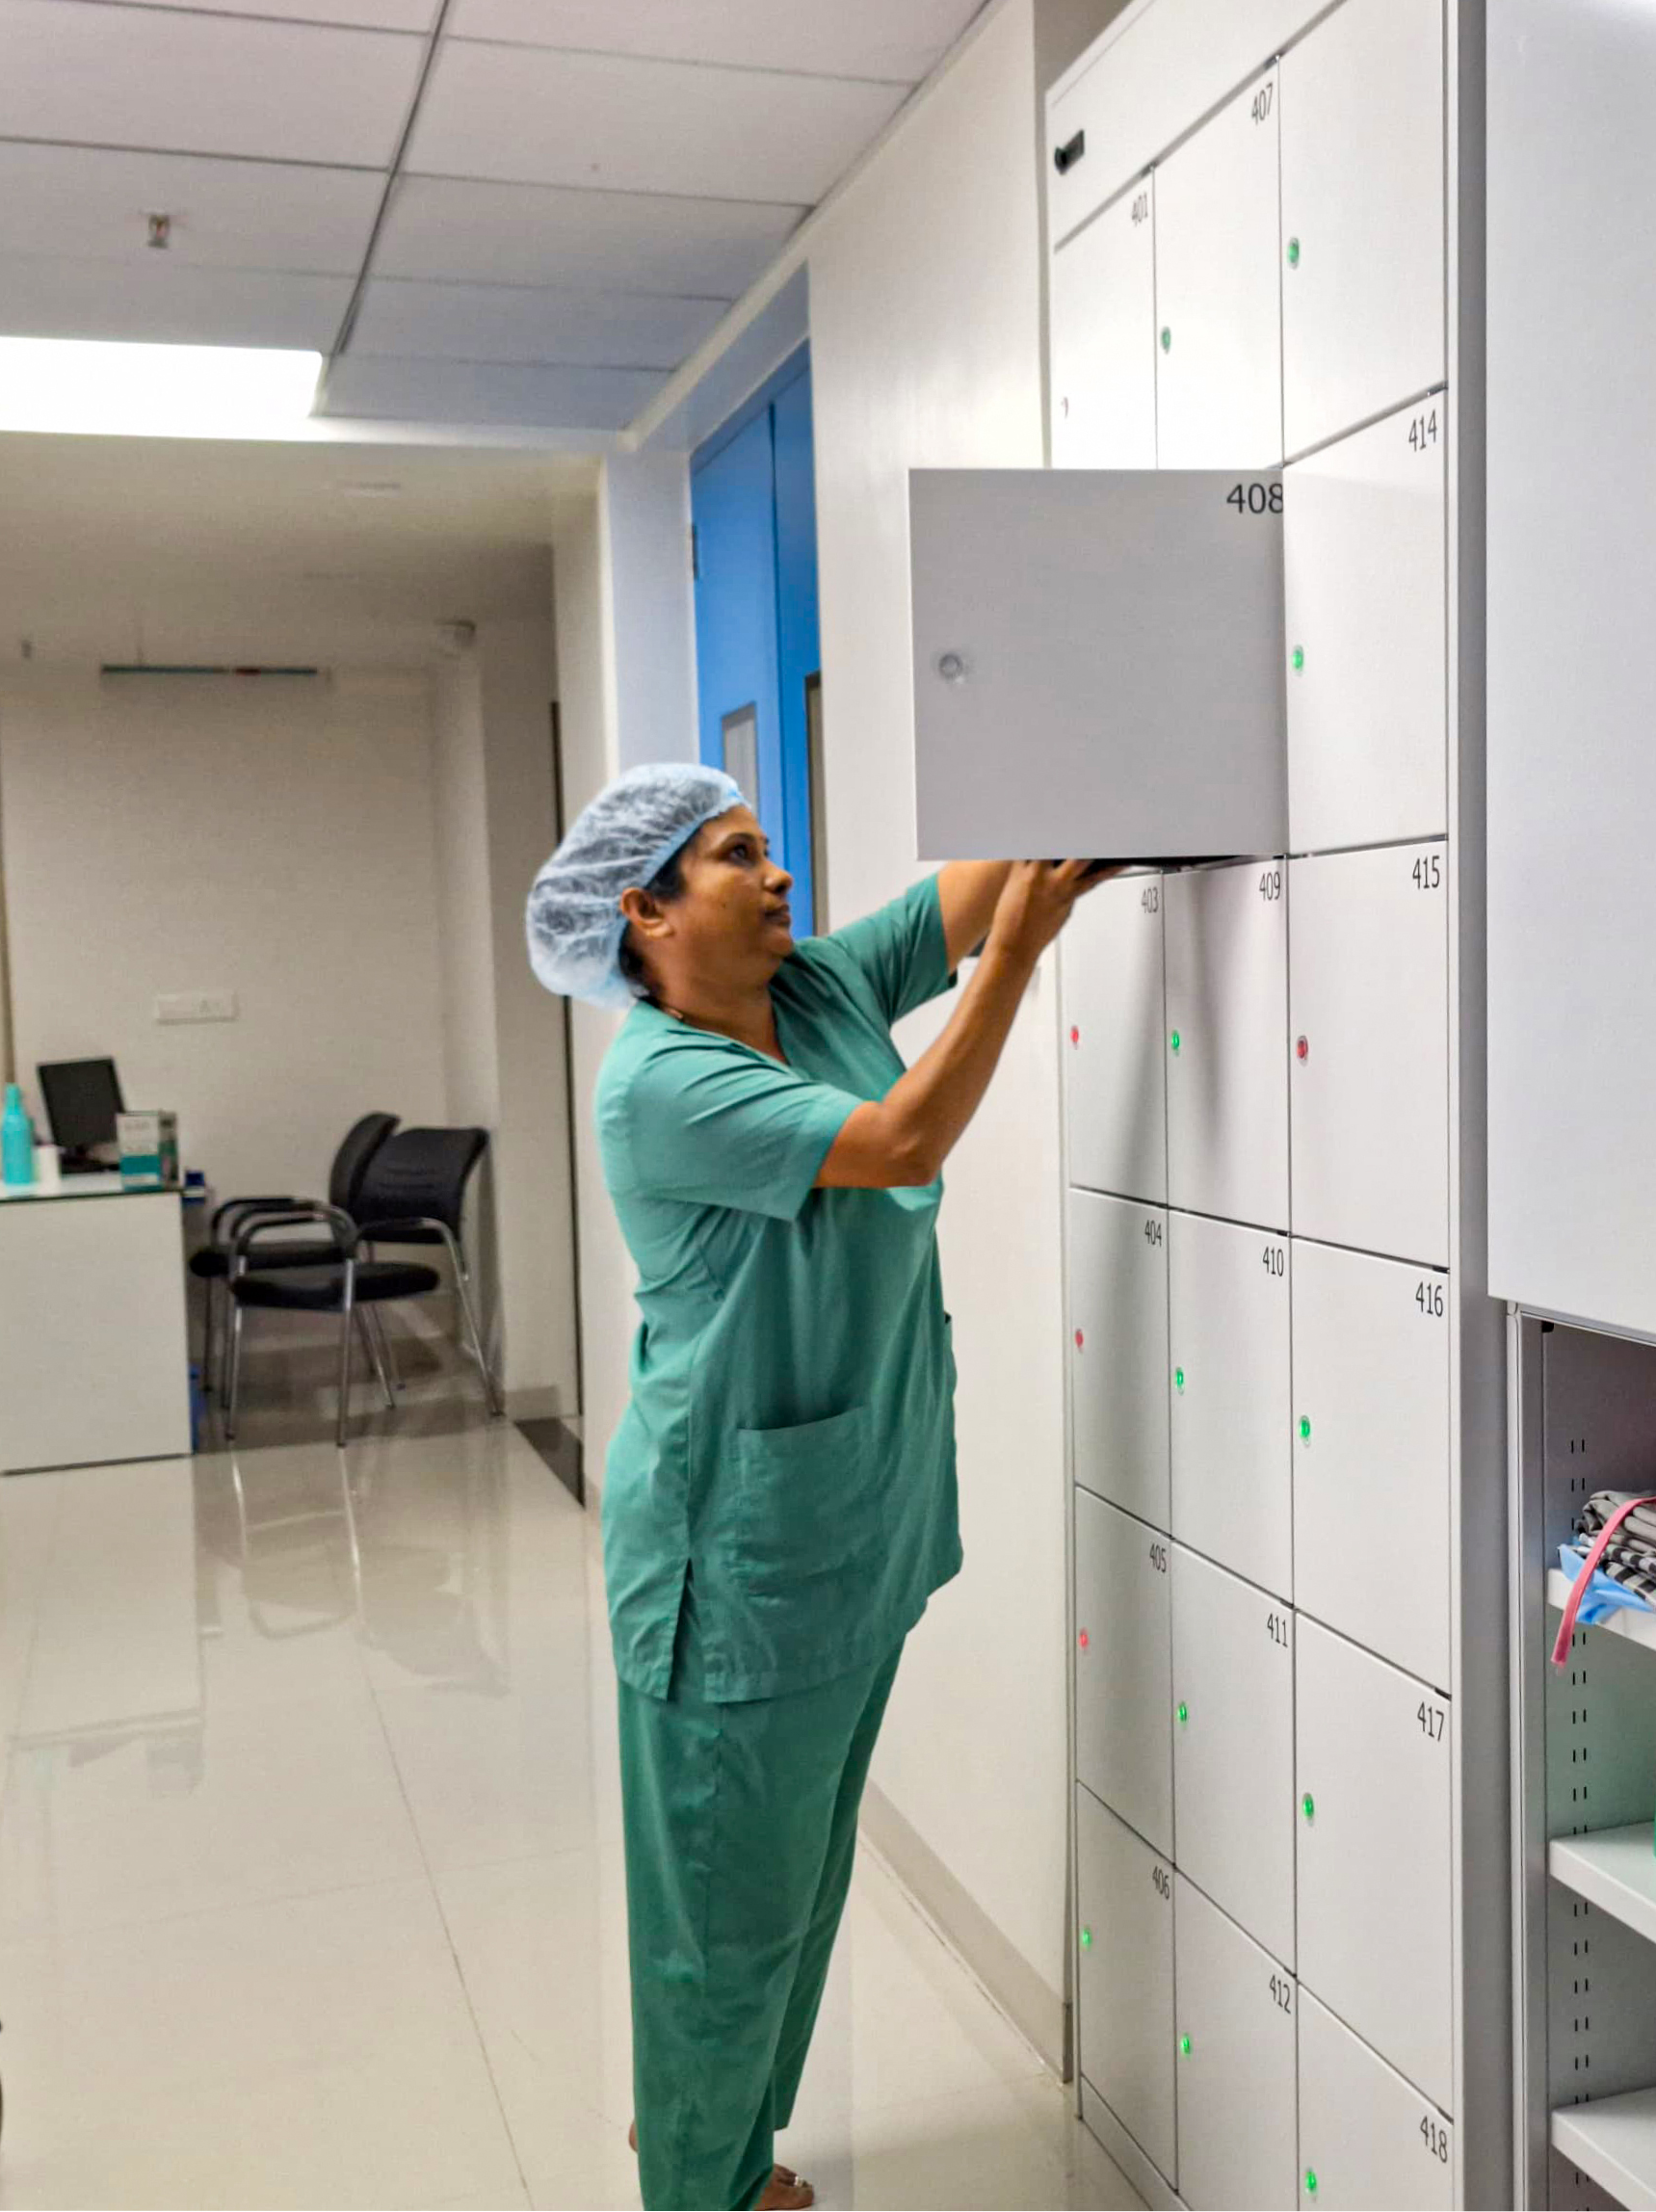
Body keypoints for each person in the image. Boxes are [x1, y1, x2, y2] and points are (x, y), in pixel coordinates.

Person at [525, 763, 1105, 2210]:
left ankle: (727, 2158)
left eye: (771, 851)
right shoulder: (661, 1083)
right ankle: (701, 2195)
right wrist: (1022, 958)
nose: (779, 877)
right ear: (644, 913)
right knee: (720, 1922)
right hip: (733, 1557)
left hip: (843, 1527)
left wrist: (1091, 741)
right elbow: (903, 1138)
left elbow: (983, 881)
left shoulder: (822, 989)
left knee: (788, 1893)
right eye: (737, 858)